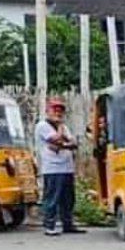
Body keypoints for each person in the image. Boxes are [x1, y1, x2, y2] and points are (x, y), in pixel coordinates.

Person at [35, 99, 83, 237]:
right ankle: (49, 225)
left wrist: (63, 143)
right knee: (52, 198)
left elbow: (72, 143)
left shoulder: (64, 127)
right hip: (52, 168)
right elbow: (56, 140)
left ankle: (68, 224)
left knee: (68, 198)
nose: (58, 112)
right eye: (54, 109)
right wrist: (62, 137)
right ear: (48, 111)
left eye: (60, 110)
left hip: (67, 167)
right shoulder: (42, 126)